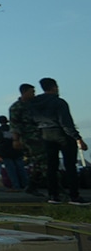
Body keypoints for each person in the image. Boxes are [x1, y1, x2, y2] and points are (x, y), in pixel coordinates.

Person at [30, 77, 89, 206]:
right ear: (54, 87)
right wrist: (77, 138)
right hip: (61, 134)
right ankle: (74, 196)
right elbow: (66, 122)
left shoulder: (34, 103)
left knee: (52, 166)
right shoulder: (59, 102)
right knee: (70, 166)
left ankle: (53, 195)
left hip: (45, 133)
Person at [10, 83, 46, 195]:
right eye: (32, 92)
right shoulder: (16, 107)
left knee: (39, 164)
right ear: (24, 92)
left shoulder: (35, 104)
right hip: (28, 138)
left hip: (40, 136)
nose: (34, 94)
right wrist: (16, 140)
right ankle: (56, 190)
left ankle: (32, 186)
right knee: (43, 162)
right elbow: (14, 125)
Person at [0, 114, 27, 191]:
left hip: (5, 152)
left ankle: (16, 186)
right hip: (17, 150)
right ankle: (26, 185)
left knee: (11, 170)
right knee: (21, 168)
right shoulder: (13, 128)